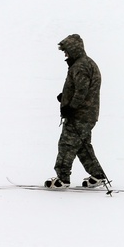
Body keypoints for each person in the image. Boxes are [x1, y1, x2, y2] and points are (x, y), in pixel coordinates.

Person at [45, 34, 108, 189]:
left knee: (67, 144)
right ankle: (98, 176)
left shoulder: (80, 66)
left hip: (80, 115)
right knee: (82, 146)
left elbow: (81, 90)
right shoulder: (85, 64)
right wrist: (65, 97)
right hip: (87, 114)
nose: (65, 54)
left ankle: (62, 179)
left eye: (66, 50)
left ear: (74, 49)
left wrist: (71, 107)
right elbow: (80, 89)